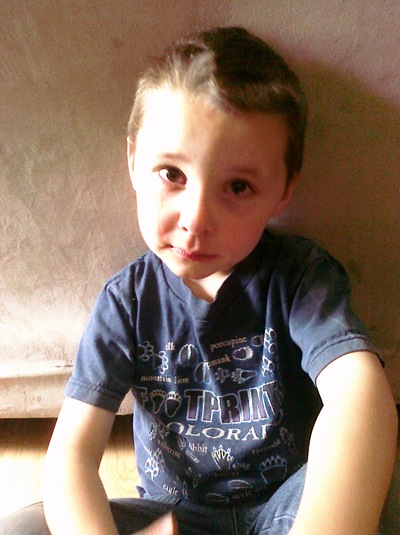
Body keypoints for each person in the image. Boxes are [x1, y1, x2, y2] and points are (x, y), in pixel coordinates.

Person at [0, 26, 397, 535]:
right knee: (24, 527)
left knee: (378, 478)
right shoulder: (127, 301)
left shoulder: (301, 276)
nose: (196, 220)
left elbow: (358, 391)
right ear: (134, 161)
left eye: (238, 186)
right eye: (172, 174)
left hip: (288, 510)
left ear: (283, 190)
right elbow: (70, 457)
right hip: (172, 520)